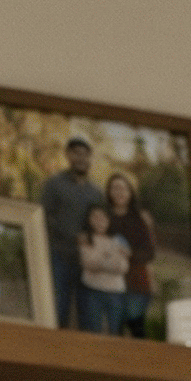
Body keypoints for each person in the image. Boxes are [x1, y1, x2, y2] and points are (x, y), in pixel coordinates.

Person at [40, 137, 104, 329]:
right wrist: (68, 234)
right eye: (76, 153)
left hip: (87, 262)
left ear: (90, 158)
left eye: (85, 154)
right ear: (68, 155)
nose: (81, 158)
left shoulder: (96, 192)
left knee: (89, 316)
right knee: (59, 311)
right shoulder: (54, 184)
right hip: (60, 256)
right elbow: (42, 217)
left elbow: (102, 223)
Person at [105, 171, 157, 339]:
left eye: (123, 188)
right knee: (115, 331)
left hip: (136, 284)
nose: (119, 192)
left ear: (130, 193)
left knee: (137, 330)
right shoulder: (101, 218)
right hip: (111, 284)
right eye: (115, 188)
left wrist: (130, 254)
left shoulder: (140, 219)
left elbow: (149, 253)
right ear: (109, 192)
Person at [77, 203, 130, 337]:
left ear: (109, 219)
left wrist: (99, 259)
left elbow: (122, 267)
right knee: (93, 332)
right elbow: (88, 264)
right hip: (92, 291)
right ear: (89, 219)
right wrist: (110, 256)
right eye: (95, 217)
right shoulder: (84, 238)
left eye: (103, 217)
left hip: (115, 293)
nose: (99, 221)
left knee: (115, 332)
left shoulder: (119, 239)